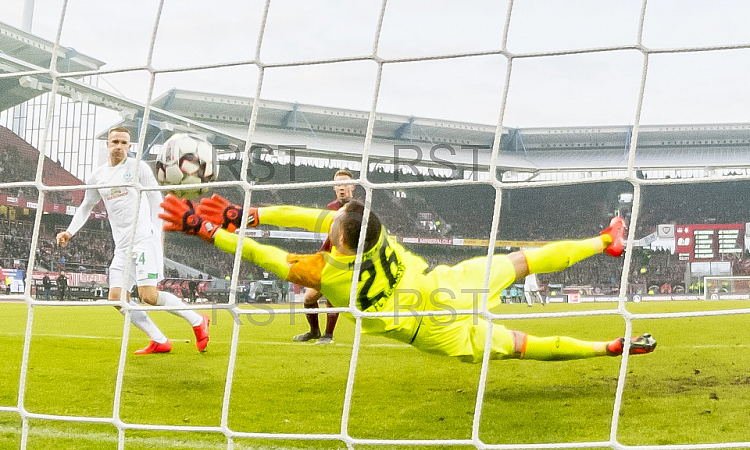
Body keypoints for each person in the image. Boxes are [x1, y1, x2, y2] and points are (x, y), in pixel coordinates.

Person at [159, 195, 657, 363]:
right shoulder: (379, 233)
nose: (324, 224)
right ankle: (603, 243)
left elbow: (261, 254)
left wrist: (209, 230)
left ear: (345, 242)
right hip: (448, 284)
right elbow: (317, 218)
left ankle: (606, 349)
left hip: (432, 329)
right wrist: (254, 211)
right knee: (524, 260)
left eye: (332, 227)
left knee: (523, 346)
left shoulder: (323, 272)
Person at [56, 127, 210, 355]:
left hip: (144, 240)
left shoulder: (139, 168)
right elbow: (86, 207)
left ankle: (198, 320)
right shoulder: (98, 176)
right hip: (122, 247)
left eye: (124, 142)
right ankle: (159, 340)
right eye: (115, 141)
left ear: (129, 146)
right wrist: (69, 232)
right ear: (108, 144)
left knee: (148, 296)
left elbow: (157, 202)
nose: (119, 146)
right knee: (117, 299)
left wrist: (158, 236)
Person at [294, 168, 356, 345]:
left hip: (345, 261)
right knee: (309, 298)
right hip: (326, 258)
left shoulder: (358, 210)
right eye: (338, 184)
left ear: (353, 186)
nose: (341, 188)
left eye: (345, 183)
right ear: (333, 188)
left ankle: (328, 336)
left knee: (331, 295)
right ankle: (314, 331)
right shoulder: (330, 208)